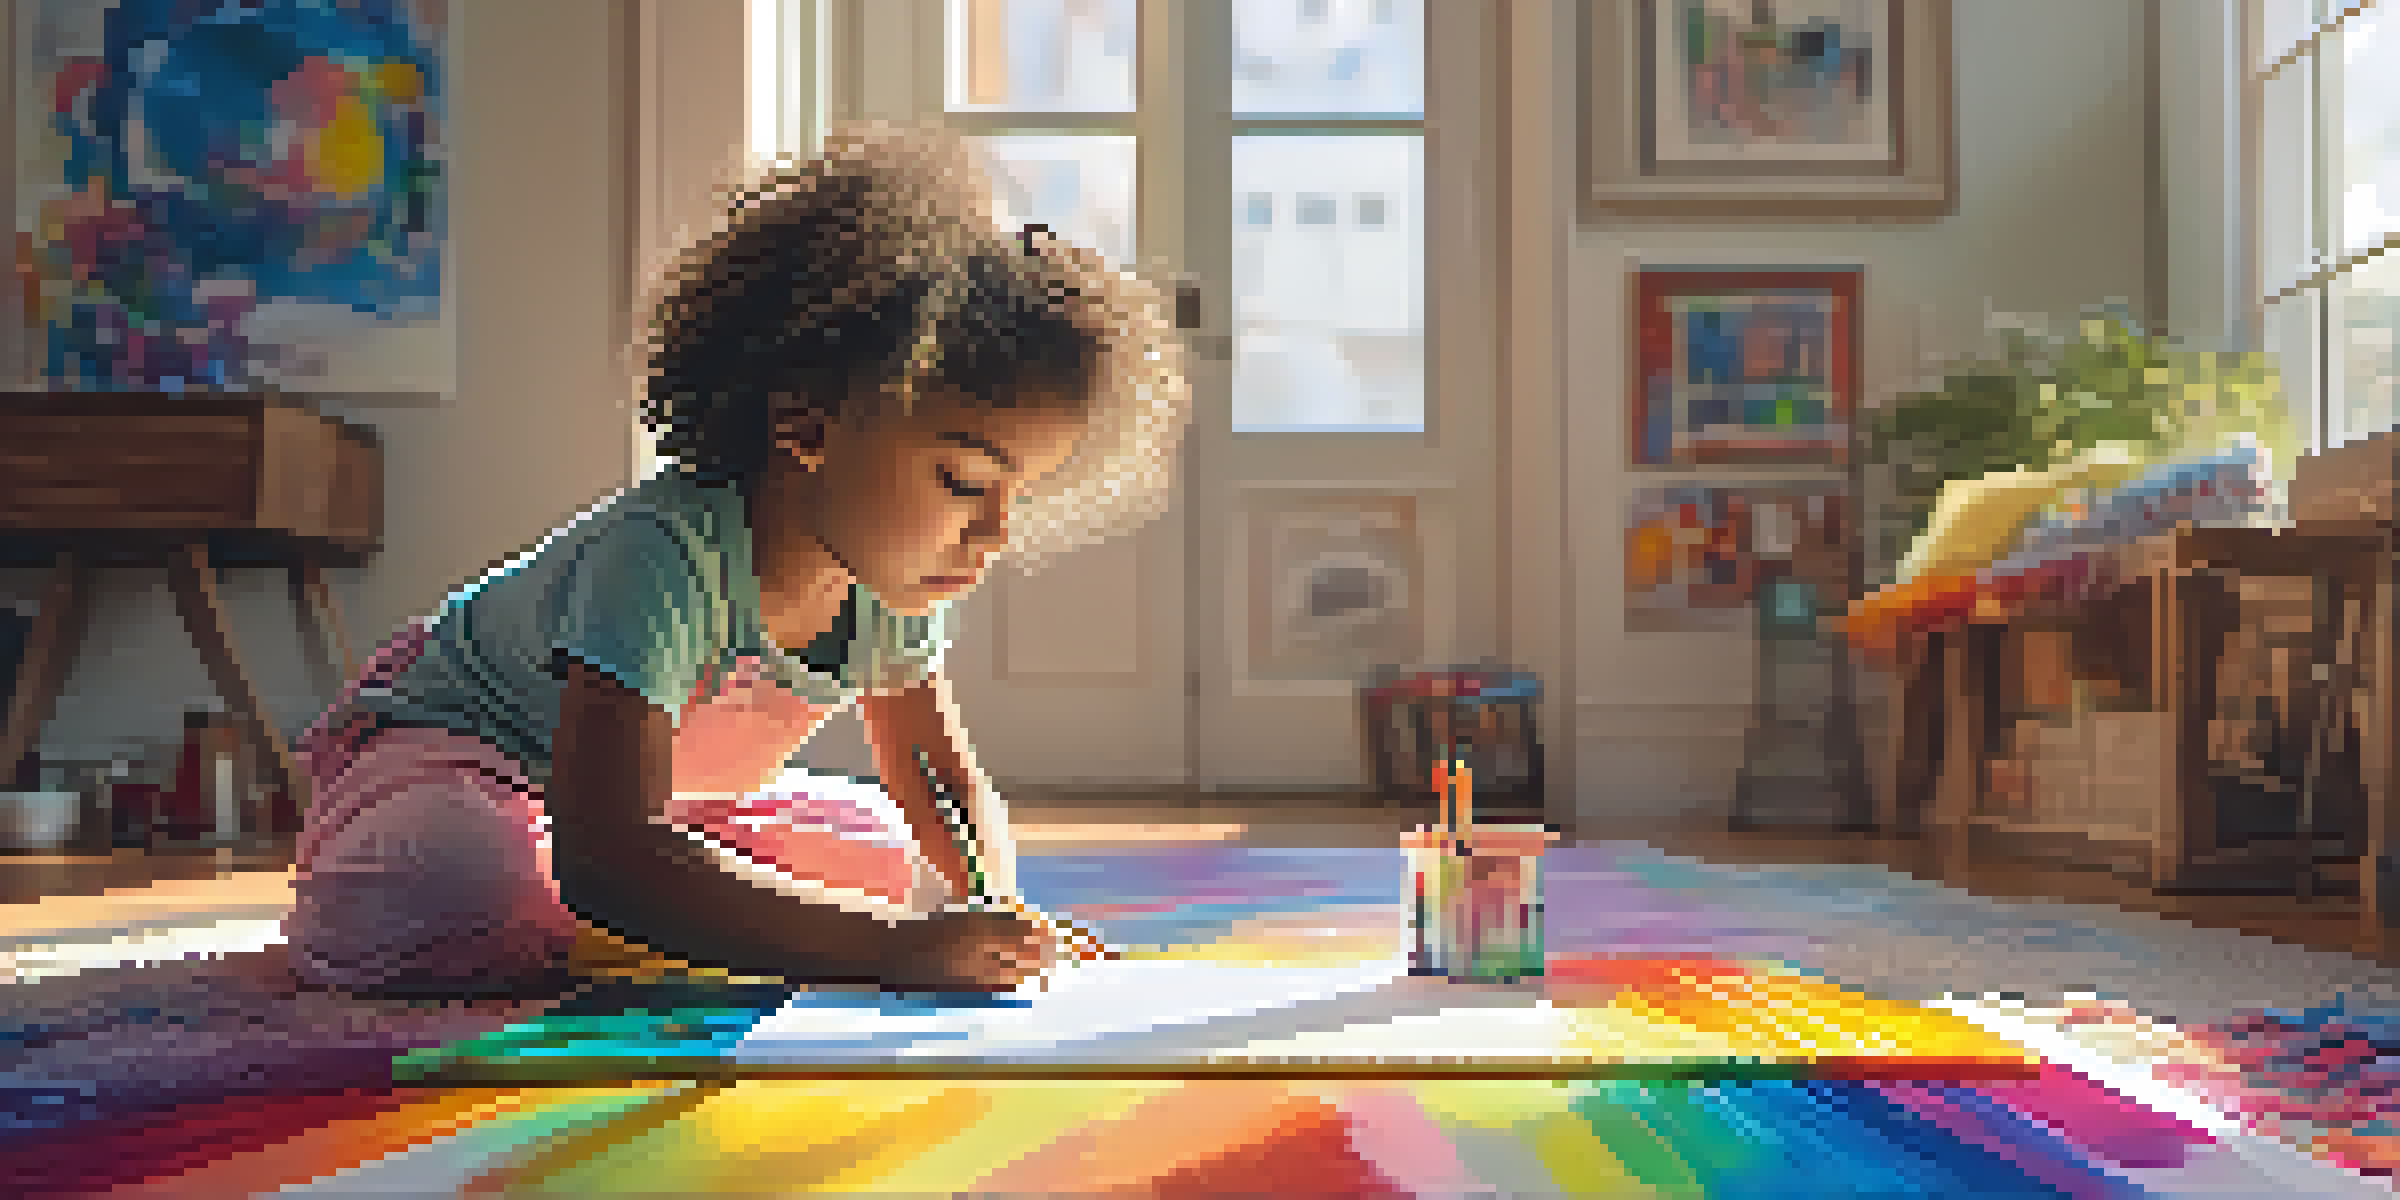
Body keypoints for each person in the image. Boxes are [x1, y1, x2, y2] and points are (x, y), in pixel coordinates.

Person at [282, 122, 1190, 998]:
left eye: (1015, 495)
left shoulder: (892, 581)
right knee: (459, 881)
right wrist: (890, 951)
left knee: (882, 856)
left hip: (654, 806)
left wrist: (992, 906)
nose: (993, 533)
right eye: (962, 481)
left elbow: (936, 779)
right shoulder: (662, 555)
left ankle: (621, 925)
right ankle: (571, 915)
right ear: (808, 424)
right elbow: (607, 851)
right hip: (454, 768)